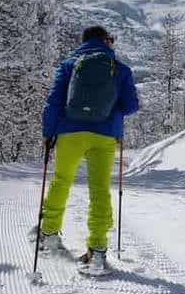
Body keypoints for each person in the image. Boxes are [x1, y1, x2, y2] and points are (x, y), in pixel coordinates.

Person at [40, 26, 139, 273]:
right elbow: (130, 106)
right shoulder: (120, 69)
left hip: (69, 133)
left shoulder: (68, 65)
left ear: (84, 41)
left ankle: (48, 234)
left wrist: (48, 133)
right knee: (99, 189)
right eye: (111, 40)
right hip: (104, 136)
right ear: (105, 41)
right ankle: (97, 251)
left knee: (61, 180)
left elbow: (53, 101)